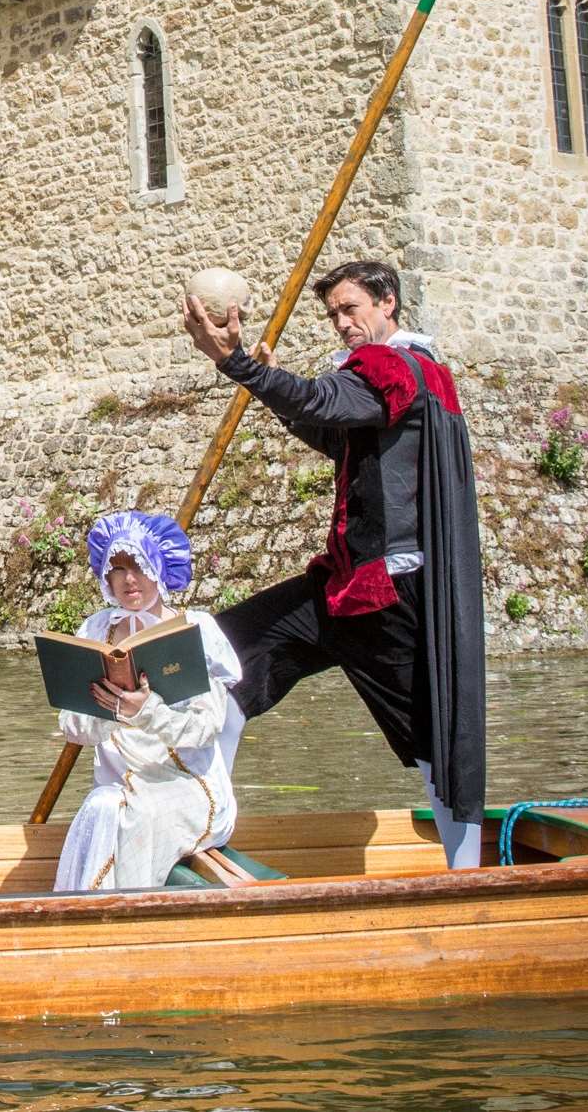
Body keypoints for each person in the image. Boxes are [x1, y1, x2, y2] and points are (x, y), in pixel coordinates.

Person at [183, 258, 486, 868]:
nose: (342, 324)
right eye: (333, 315)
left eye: (351, 309)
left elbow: (324, 399)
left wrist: (234, 362)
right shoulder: (417, 374)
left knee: (434, 742)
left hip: (386, 596)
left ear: (388, 303)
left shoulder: (391, 365)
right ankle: (202, 831)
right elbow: (333, 431)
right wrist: (266, 385)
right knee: (223, 657)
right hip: (345, 589)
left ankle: (467, 877)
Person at [52, 512, 241, 892]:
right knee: (103, 805)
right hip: (119, 786)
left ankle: (132, 913)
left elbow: (205, 730)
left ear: (158, 565)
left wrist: (147, 711)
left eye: (138, 564)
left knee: (134, 812)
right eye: (117, 568)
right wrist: (111, 712)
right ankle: (89, 914)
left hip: (189, 788)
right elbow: (72, 727)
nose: (128, 579)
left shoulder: (196, 628)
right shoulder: (95, 630)